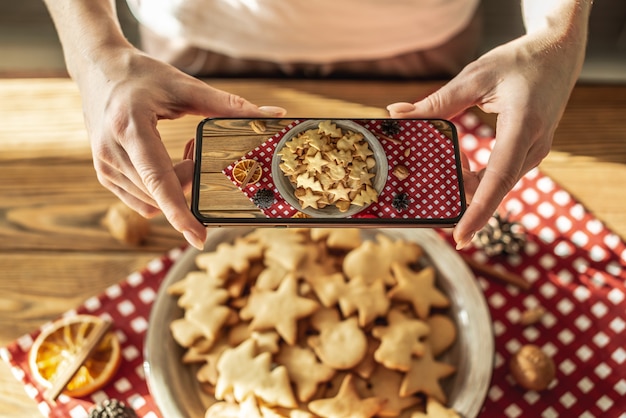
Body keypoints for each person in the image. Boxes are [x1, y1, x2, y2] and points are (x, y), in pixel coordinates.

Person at [42, 0, 592, 250]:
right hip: (192, 39)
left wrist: (557, 33)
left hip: (420, 40)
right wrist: (92, 50)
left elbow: (557, 30)